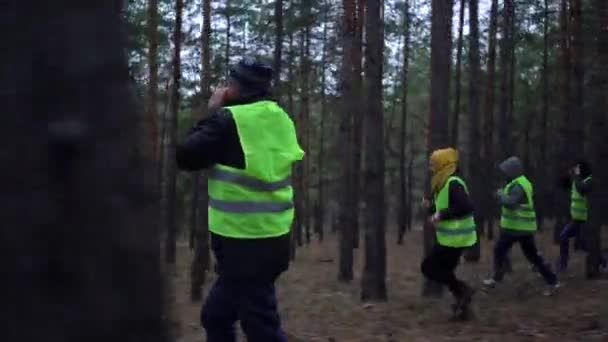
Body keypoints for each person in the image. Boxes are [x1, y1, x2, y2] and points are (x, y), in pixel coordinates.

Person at [176, 57, 304, 342]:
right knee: (216, 316)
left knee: (261, 328)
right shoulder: (279, 117)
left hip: (245, 244)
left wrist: (212, 111)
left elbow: (185, 155)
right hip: (274, 238)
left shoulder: (228, 122)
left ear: (235, 88)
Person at [483, 157, 560, 296]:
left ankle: (497, 278)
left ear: (513, 171)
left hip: (517, 228)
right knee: (525, 255)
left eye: (506, 171)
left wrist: (500, 195)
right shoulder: (520, 183)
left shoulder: (518, 185)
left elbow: (511, 203)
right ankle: (552, 281)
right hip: (519, 228)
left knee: (504, 251)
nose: (504, 173)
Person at [421, 148, 477, 320]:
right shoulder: (442, 183)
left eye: (434, 164)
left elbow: (466, 206)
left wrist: (440, 215)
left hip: (456, 238)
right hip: (450, 238)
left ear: (444, 165)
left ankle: (463, 291)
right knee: (444, 270)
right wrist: (430, 207)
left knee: (429, 267)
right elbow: (443, 206)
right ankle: (463, 307)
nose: (431, 168)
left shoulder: (454, 182)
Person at [557, 160, 607, 274]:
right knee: (563, 237)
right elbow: (562, 185)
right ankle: (563, 264)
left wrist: (575, 177)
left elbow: (582, 189)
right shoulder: (577, 180)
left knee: (586, 245)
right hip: (576, 220)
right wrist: (567, 176)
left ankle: (603, 262)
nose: (576, 170)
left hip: (587, 221)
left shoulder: (589, 181)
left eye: (578, 168)